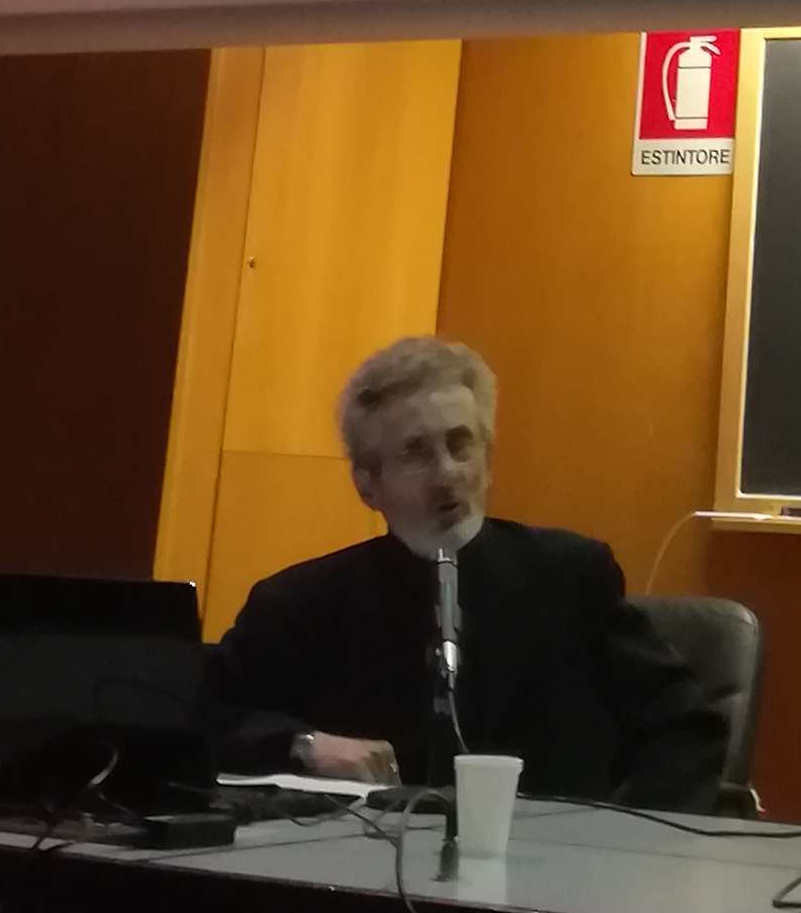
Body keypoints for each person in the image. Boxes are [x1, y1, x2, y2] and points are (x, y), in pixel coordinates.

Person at [206, 333, 726, 807]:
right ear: (367, 484)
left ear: (489, 458)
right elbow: (201, 716)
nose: (446, 474)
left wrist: (621, 842)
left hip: (553, 865)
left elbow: (685, 729)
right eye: (416, 453)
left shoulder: (570, 576)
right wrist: (304, 744)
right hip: (361, 866)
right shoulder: (300, 602)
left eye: (461, 445)